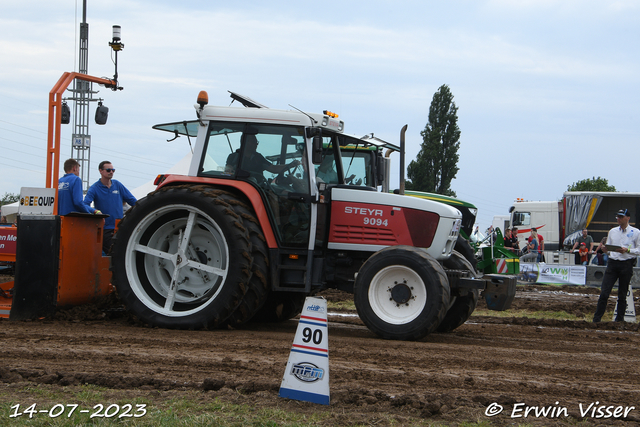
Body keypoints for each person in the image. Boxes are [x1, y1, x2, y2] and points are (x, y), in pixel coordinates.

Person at [592, 208, 640, 322]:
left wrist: (627, 251)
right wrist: (605, 250)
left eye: (621, 217)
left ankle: (619, 320)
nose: (618, 218)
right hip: (612, 263)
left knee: (622, 294)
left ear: (628, 218)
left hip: (627, 264)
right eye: (617, 217)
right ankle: (596, 319)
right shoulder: (613, 231)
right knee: (604, 292)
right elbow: (610, 249)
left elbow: (639, 249)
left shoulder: (636, 232)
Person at [84, 161, 137, 254]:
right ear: (101, 171)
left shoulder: (117, 185)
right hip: (105, 228)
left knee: (123, 253)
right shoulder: (95, 188)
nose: (111, 172)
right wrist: (95, 211)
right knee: (113, 254)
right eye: (108, 170)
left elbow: (133, 201)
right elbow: (84, 205)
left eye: (113, 170)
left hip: (120, 227)